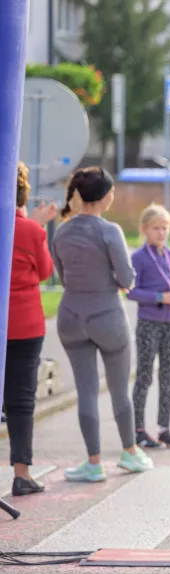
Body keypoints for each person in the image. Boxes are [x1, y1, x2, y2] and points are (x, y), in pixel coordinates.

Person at [51, 167, 154, 482]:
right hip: (107, 315)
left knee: (85, 391)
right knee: (119, 389)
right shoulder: (110, 232)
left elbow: (63, 275)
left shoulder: (61, 232)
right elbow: (126, 279)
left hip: (70, 315)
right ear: (106, 195)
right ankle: (130, 453)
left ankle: (93, 462)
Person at [5, 162, 57, 496]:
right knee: (21, 400)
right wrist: (35, 225)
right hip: (24, 324)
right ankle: (21, 473)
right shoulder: (31, 231)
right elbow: (44, 271)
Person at [126, 204, 170, 449]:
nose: (161, 233)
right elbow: (131, 291)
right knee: (144, 376)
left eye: (165, 228)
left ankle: (164, 428)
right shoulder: (138, 258)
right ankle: (139, 430)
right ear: (145, 230)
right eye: (155, 229)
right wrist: (160, 297)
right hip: (149, 324)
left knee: (168, 377)